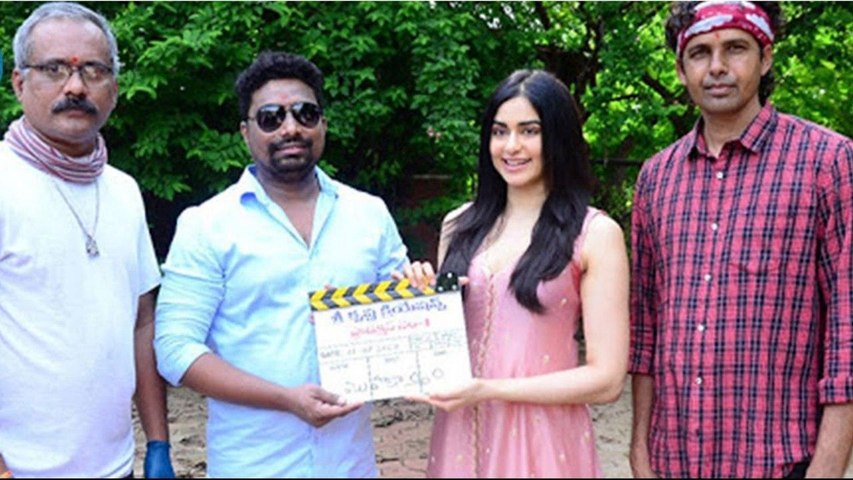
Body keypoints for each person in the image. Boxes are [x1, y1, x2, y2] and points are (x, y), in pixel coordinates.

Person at [153, 51, 410, 477]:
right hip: (252, 465)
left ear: (323, 123)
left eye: (305, 113)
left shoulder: (369, 215)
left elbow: (404, 326)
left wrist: (421, 296)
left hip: (350, 464)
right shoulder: (207, 225)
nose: (291, 128)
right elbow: (175, 350)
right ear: (245, 132)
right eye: (271, 117)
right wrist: (286, 399)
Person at [629, 1, 853, 478]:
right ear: (680, 69)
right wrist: (639, 450)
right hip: (673, 462)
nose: (717, 67)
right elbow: (645, 326)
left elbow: (847, 329)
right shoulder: (655, 179)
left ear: (765, 57)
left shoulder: (828, 162)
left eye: (735, 49)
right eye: (699, 53)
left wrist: (828, 467)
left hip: (782, 462)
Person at [406, 69, 630, 478]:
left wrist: (489, 390)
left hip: (543, 442)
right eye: (499, 131)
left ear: (558, 137)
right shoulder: (458, 225)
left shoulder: (595, 234)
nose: (511, 146)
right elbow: (439, 349)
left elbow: (607, 379)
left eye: (529, 131)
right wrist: (414, 304)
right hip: (458, 438)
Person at [0, 2, 175, 478]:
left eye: (93, 70)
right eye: (54, 69)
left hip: (115, 465)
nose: (75, 86)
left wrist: (158, 443)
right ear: (19, 83)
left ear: (113, 88)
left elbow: (141, 321)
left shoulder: (123, 191)